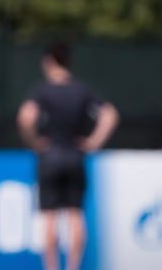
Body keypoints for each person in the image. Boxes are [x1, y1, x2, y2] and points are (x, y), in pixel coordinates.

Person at [17, 41, 119, 270]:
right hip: (75, 155)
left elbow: (25, 117)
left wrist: (33, 142)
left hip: (50, 155)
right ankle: (73, 266)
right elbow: (109, 114)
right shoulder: (82, 90)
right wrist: (94, 142)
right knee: (75, 214)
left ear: (48, 61)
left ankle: (51, 267)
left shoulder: (42, 91)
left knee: (50, 217)